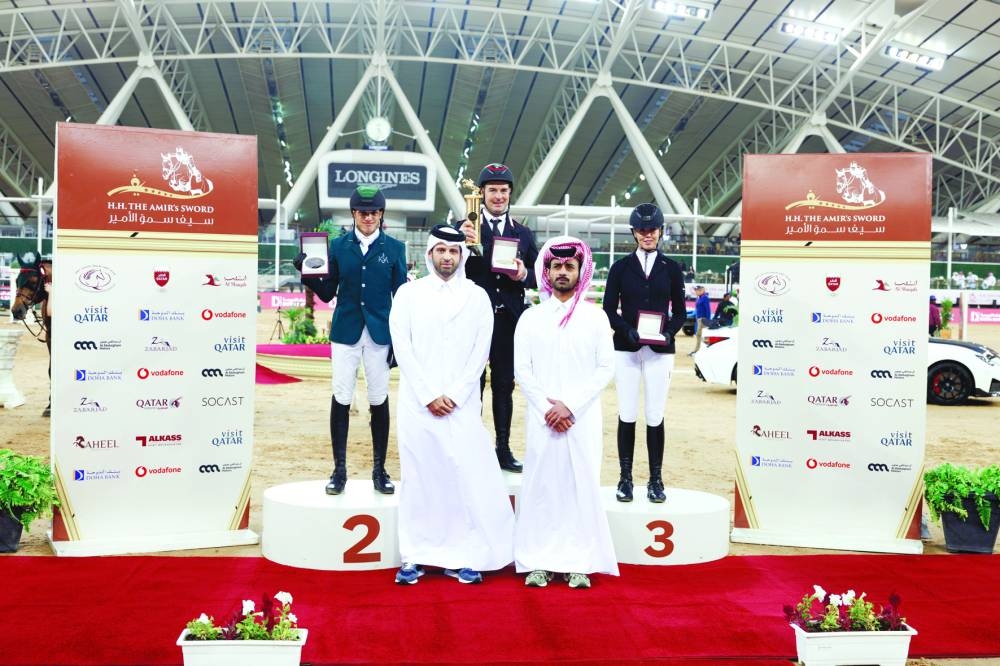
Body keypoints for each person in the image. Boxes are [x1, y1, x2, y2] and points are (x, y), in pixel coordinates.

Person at [388, 225, 515, 585]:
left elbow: (481, 351)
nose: (447, 257)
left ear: (461, 256)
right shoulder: (408, 294)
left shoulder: (476, 297)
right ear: (429, 254)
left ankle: (461, 555)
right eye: (440, 250)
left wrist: (456, 395)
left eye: (453, 251)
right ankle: (414, 555)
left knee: (460, 475)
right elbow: (403, 347)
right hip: (418, 403)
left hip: (461, 404)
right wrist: (429, 394)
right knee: (420, 476)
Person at [513, 236, 618, 589]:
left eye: (569, 267)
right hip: (542, 420)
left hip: (581, 419)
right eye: (556, 266)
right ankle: (538, 561)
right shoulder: (531, 318)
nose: (562, 272)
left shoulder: (596, 317)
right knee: (542, 487)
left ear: (580, 272)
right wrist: (548, 408)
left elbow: (605, 368)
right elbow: (521, 370)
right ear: (546, 271)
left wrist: (569, 406)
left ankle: (580, 562)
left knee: (579, 486)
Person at [295, 184, 407, 496]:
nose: (368, 217)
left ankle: (379, 469)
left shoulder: (395, 249)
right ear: (354, 214)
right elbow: (328, 292)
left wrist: (399, 340)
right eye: (362, 212)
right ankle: (339, 470)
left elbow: (403, 297)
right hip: (346, 332)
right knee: (341, 396)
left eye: (373, 212)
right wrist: (307, 274)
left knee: (378, 398)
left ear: (381, 214)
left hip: (379, 334)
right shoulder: (339, 247)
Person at [602, 203, 686, 504]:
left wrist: (668, 333)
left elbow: (680, 312)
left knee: (654, 414)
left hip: (660, 351)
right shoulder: (620, 268)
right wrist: (627, 330)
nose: (647, 235)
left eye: (652, 230)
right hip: (627, 348)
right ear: (634, 233)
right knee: (627, 412)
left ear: (660, 231)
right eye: (642, 230)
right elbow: (608, 309)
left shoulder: (672, 269)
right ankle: (625, 478)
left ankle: (655, 479)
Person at [459, 163, 539, 473]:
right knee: (473, 384)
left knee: (504, 385)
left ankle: (502, 447)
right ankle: (472, 446)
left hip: (509, 319)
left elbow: (541, 273)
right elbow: (449, 267)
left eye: (504, 191)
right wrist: (463, 245)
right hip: (474, 320)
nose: (498, 196)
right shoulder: (465, 225)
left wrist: (523, 274)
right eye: (492, 190)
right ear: (481, 194)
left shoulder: (523, 232)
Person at [690, 285, 711, 354]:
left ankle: (702, 350)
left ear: (701, 290)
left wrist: (708, 320)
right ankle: (697, 350)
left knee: (703, 336)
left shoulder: (705, 298)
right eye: (695, 290)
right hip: (699, 319)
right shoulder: (699, 298)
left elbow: (708, 309)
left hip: (703, 319)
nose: (695, 291)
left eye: (697, 290)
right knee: (699, 335)